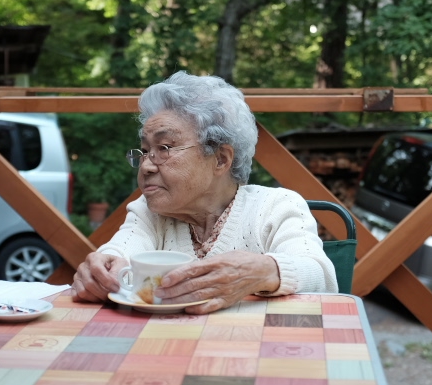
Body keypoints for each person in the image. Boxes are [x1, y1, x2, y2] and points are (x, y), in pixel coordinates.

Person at [72, 71, 337, 313]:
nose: (147, 165)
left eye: (164, 148)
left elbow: (321, 276)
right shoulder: (149, 212)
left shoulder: (276, 206)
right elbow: (119, 253)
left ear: (220, 159)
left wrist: (263, 271)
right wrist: (100, 271)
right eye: (144, 150)